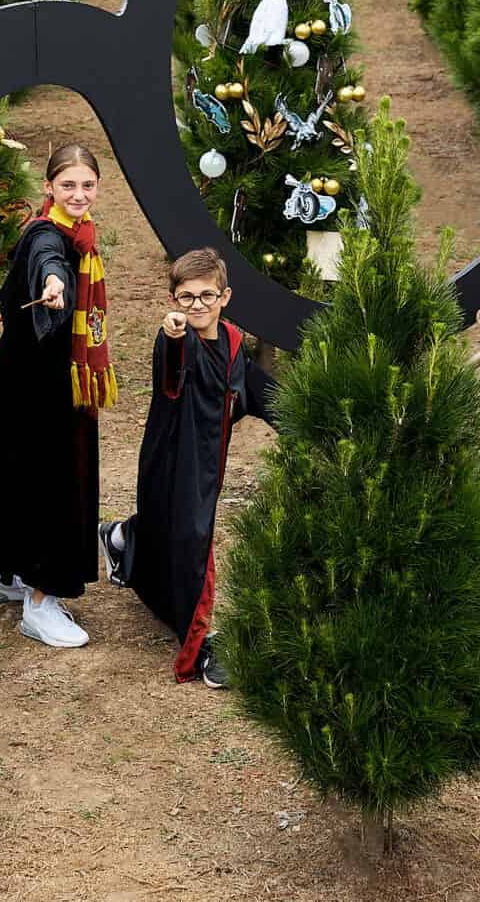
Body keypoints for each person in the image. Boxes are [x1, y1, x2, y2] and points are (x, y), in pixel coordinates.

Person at [98, 247, 274, 687]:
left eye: (207, 296)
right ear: (174, 300)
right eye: (186, 297)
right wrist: (175, 336)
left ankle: (119, 537)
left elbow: (267, 395)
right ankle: (200, 647)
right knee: (191, 544)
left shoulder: (233, 344)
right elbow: (173, 373)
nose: (197, 305)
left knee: (166, 533)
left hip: (204, 464)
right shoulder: (175, 339)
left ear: (225, 296)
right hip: (169, 457)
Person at [0, 142, 119, 648]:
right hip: (47, 381)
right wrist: (54, 282)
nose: (78, 194)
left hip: (25, 374)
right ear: (49, 188)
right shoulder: (47, 238)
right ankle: (40, 602)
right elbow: (46, 260)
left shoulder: (81, 238)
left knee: (12, 465)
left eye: (87, 185)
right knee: (58, 479)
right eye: (68, 185)